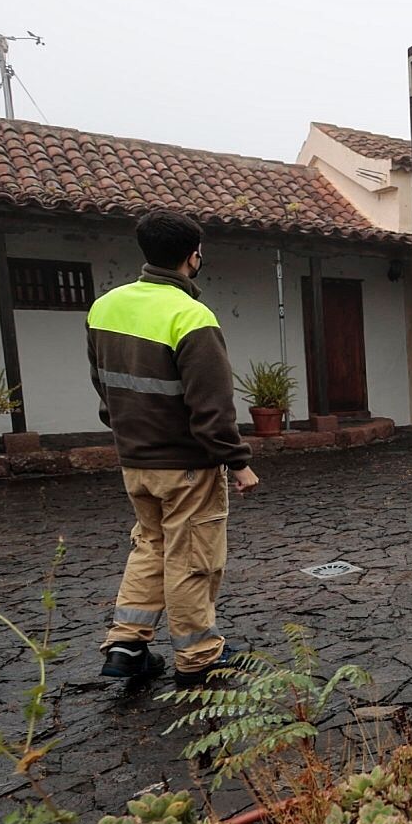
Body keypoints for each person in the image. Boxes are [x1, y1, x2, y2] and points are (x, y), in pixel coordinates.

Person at [88, 210, 259, 688]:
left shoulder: (105, 307)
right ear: (193, 256)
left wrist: (125, 434)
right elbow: (212, 404)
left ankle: (126, 644)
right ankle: (199, 657)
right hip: (186, 465)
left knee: (150, 546)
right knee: (192, 556)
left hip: (135, 461)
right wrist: (237, 461)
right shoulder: (190, 315)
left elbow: (103, 387)